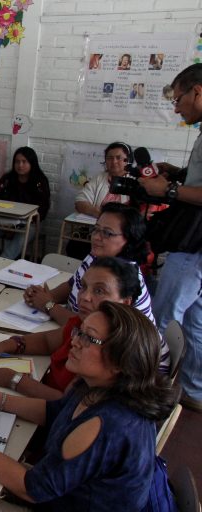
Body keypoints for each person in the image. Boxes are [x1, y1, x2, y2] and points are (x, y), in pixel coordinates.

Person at [0, 302, 178, 511]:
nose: (74, 342)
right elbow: (54, 412)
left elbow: (34, 489)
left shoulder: (107, 425)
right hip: (65, 493)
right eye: (79, 332)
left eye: (89, 339)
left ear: (120, 361)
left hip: (60, 501)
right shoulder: (93, 385)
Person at [0, 258, 169, 400]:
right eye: (83, 287)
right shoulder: (84, 324)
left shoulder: (110, 350)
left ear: (125, 302)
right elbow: (47, 342)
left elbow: (66, 404)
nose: (84, 297)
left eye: (99, 291)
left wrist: (13, 380)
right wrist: (3, 346)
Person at [138, 63, 202, 412]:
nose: (176, 109)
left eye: (178, 100)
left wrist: (169, 190)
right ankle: (195, 390)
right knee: (195, 321)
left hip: (193, 245)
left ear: (198, 92)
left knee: (163, 316)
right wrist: (178, 174)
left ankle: (147, 392)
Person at [25, 202, 155, 326]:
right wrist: (41, 297)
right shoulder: (96, 256)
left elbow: (87, 326)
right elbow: (72, 285)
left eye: (107, 233)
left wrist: (48, 305)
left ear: (129, 239)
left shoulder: (123, 277)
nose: (97, 237)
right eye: (96, 229)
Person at [0, 147, 50, 259]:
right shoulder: (7, 179)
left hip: (28, 223)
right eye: (17, 162)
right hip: (5, 220)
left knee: (21, 238)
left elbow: (43, 208)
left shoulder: (40, 181)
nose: (20, 165)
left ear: (32, 163)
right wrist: (7, 224)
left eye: (24, 162)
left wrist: (20, 224)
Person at [74, 142, 132, 218]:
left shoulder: (135, 181)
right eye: (109, 158)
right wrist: (95, 211)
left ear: (128, 160)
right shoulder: (99, 178)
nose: (114, 162)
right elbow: (79, 201)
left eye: (118, 158)